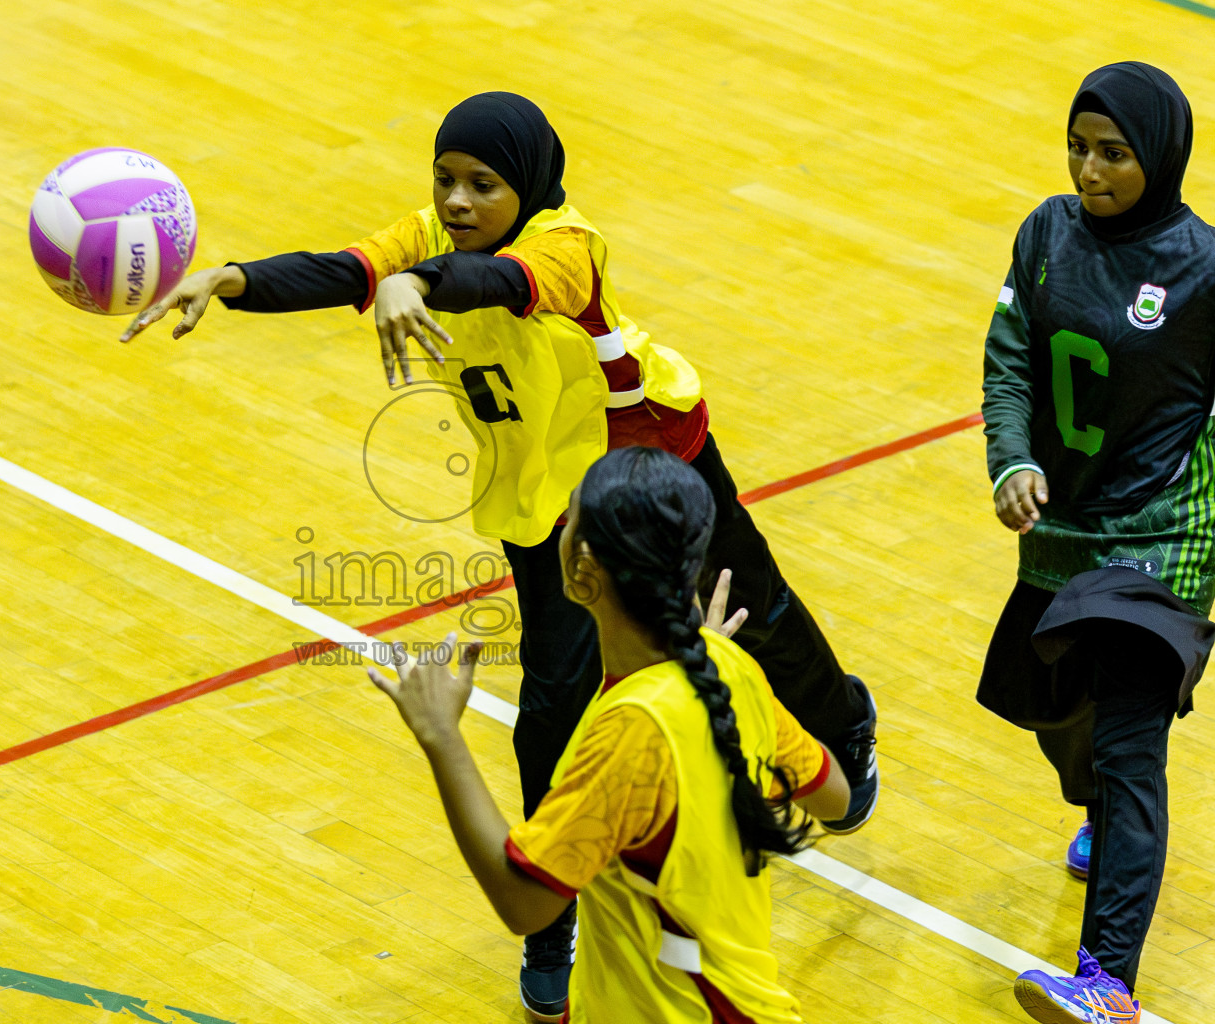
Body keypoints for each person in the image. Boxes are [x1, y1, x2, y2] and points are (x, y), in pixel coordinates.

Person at [124, 91, 878, 1018]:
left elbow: (502, 285)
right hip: (546, 503)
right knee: (553, 705)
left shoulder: (567, 245)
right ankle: (550, 920)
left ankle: (845, 726)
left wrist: (424, 285)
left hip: (655, 460)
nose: (457, 201)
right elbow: (345, 268)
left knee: (755, 618)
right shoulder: (424, 234)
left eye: (483, 184)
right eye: (445, 180)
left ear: (528, 186)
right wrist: (231, 280)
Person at [368, 446, 850, 1023]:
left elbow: (524, 904)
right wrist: (716, 657)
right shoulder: (726, 672)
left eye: (567, 521)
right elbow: (835, 796)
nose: (559, 533)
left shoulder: (632, 732)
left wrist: (441, 736)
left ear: (583, 568)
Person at [979, 61, 1215, 1024]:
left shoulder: (1204, 268)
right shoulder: (1045, 234)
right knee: (1056, 718)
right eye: (1078, 147)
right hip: (1061, 533)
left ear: (1157, 156)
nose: (1089, 169)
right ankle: (1098, 817)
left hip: (1162, 535)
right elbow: (1008, 362)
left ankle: (1106, 982)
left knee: (1129, 751)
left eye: (1113, 154)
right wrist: (1010, 461)